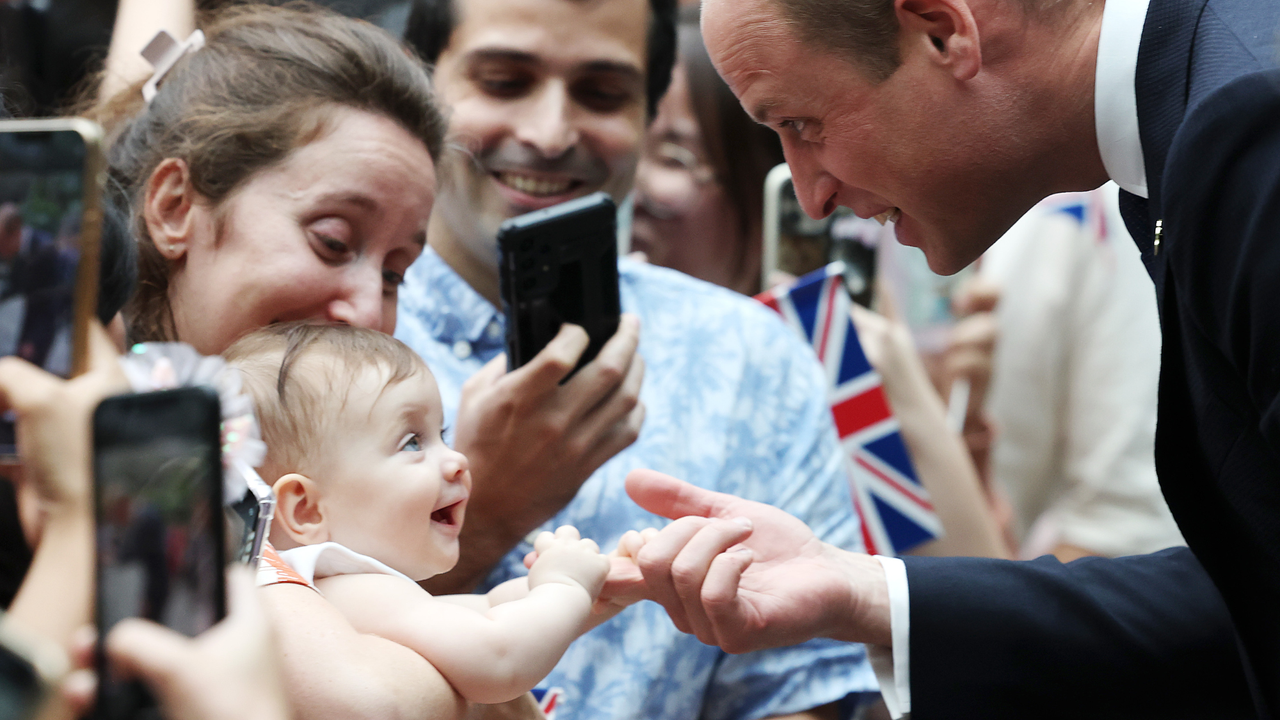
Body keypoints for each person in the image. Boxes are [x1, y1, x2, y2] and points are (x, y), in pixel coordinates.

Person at [624, 0, 1280, 716]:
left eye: (800, 125)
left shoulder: (1251, 126)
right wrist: (865, 593)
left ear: (944, 32)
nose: (811, 196)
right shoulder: (1202, 117)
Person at [399, 0, 880, 714]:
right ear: (421, 90)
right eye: (504, 81)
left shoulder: (748, 354)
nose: (550, 133)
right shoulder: (327, 328)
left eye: (601, 93)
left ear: (649, 115)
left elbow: (802, 689)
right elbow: (274, 659)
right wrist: (487, 511)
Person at [90, 4, 497, 718]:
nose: (369, 312)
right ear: (176, 206)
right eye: (334, 241)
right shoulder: (82, 441)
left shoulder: (320, 468)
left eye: (397, 273)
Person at [225, 322, 640, 704]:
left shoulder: (337, 591)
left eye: (441, 434)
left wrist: (600, 583)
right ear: (307, 510)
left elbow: (490, 611)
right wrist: (566, 587)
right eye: (411, 443)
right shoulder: (346, 592)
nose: (456, 458)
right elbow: (499, 657)